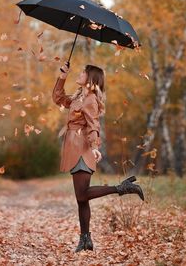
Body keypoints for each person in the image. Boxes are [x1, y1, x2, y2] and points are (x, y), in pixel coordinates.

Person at [52, 61, 144, 253]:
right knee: (81, 199)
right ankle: (85, 240)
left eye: (82, 72)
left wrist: (94, 146)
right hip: (73, 146)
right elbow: (58, 98)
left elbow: (93, 124)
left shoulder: (90, 99)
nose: (79, 74)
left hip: (82, 147)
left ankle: (122, 187)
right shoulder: (79, 97)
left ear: (90, 79)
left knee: (81, 194)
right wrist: (62, 77)